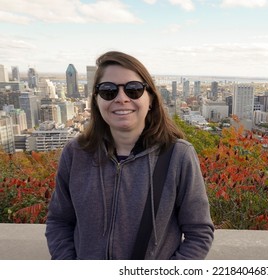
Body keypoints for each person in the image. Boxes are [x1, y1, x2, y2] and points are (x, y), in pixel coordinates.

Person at [45, 51, 214, 260]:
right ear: (96, 101)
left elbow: (199, 233)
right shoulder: (75, 153)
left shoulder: (177, 156)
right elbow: (59, 222)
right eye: (108, 91)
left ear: (150, 98)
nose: (122, 99)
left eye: (134, 90)